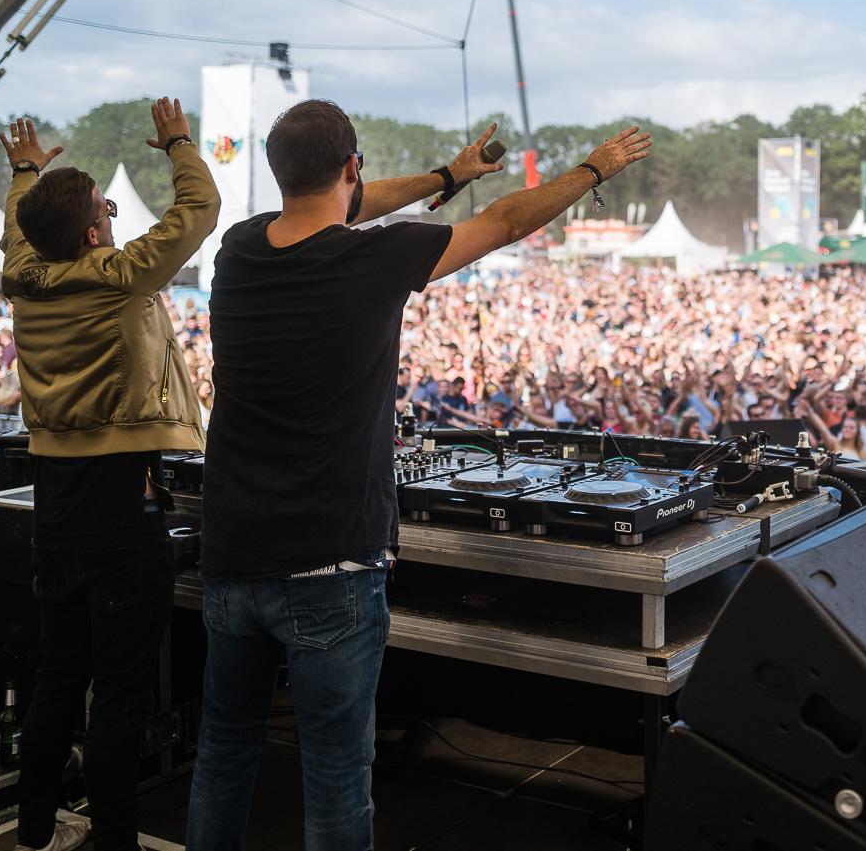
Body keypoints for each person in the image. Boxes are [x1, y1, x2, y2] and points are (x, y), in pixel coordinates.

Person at [187, 104, 650, 851]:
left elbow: (338, 204)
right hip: (329, 562)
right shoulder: (373, 258)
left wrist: (445, 177)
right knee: (337, 776)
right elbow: (503, 222)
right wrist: (593, 170)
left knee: (223, 752)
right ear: (352, 166)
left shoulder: (238, 250)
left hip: (232, 555)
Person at [0, 103, 219, 851]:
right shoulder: (119, 277)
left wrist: (26, 170)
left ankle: (33, 832)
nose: (114, 216)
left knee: (58, 675)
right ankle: (115, 840)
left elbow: (16, 226)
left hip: (55, 501)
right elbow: (201, 208)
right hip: (122, 503)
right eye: (107, 209)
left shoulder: (23, 277)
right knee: (122, 690)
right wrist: (180, 144)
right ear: (94, 233)